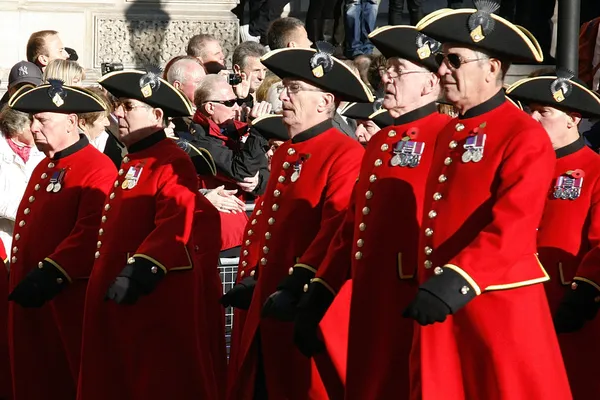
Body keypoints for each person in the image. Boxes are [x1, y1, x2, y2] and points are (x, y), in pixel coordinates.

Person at [402, 3, 572, 398]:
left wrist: (458, 280)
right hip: (446, 295)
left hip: (493, 300)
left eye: (454, 60)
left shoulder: (522, 134)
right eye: (442, 60)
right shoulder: (452, 131)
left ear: (492, 67)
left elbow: (513, 224)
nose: (442, 70)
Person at [293, 25, 449, 399]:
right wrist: (321, 287)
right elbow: (353, 223)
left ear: (429, 84)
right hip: (369, 291)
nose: (387, 76)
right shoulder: (382, 139)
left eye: (398, 69)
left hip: (412, 292)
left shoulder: (446, 134)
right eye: (386, 68)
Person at [222, 46, 372, 400]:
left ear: (325, 102)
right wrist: (259, 276)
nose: (283, 96)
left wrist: (297, 282)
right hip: (271, 295)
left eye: (294, 89)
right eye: (284, 88)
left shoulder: (345, 152)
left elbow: (334, 228)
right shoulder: (289, 152)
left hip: (305, 298)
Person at [77, 69, 226, 400]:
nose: (117, 113)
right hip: (124, 298)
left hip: (148, 296)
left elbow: (175, 221)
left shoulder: (172, 160)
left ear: (157, 115)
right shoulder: (134, 160)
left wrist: (140, 269)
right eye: (117, 105)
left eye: (128, 106)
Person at [7, 82, 116, 400]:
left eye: (43, 120)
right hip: (33, 292)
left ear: (71, 121)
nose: (33, 128)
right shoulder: (46, 165)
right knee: (33, 375)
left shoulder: (96, 167)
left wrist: (50, 273)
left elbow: (90, 231)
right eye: (32, 121)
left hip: (64, 294)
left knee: (65, 377)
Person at [507, 71, 600, 400]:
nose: (532, 117)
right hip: (518, 300)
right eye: (530, 109)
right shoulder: (520, 167)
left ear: (573, 119)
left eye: (543, 111)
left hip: (568, 304)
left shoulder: (595, 170)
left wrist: (585, 290)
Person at [0, 102, 46, 260]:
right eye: (32, 123)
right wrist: (25, 210)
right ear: (17, 127)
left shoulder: (44, 150)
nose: (37, 129)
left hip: (37, 239)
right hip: (5, 238)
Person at [77, 87, 125, 168]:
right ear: (83, 123)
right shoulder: (69, 150)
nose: (108, 123)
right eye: (102, 118)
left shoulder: (106, 142)